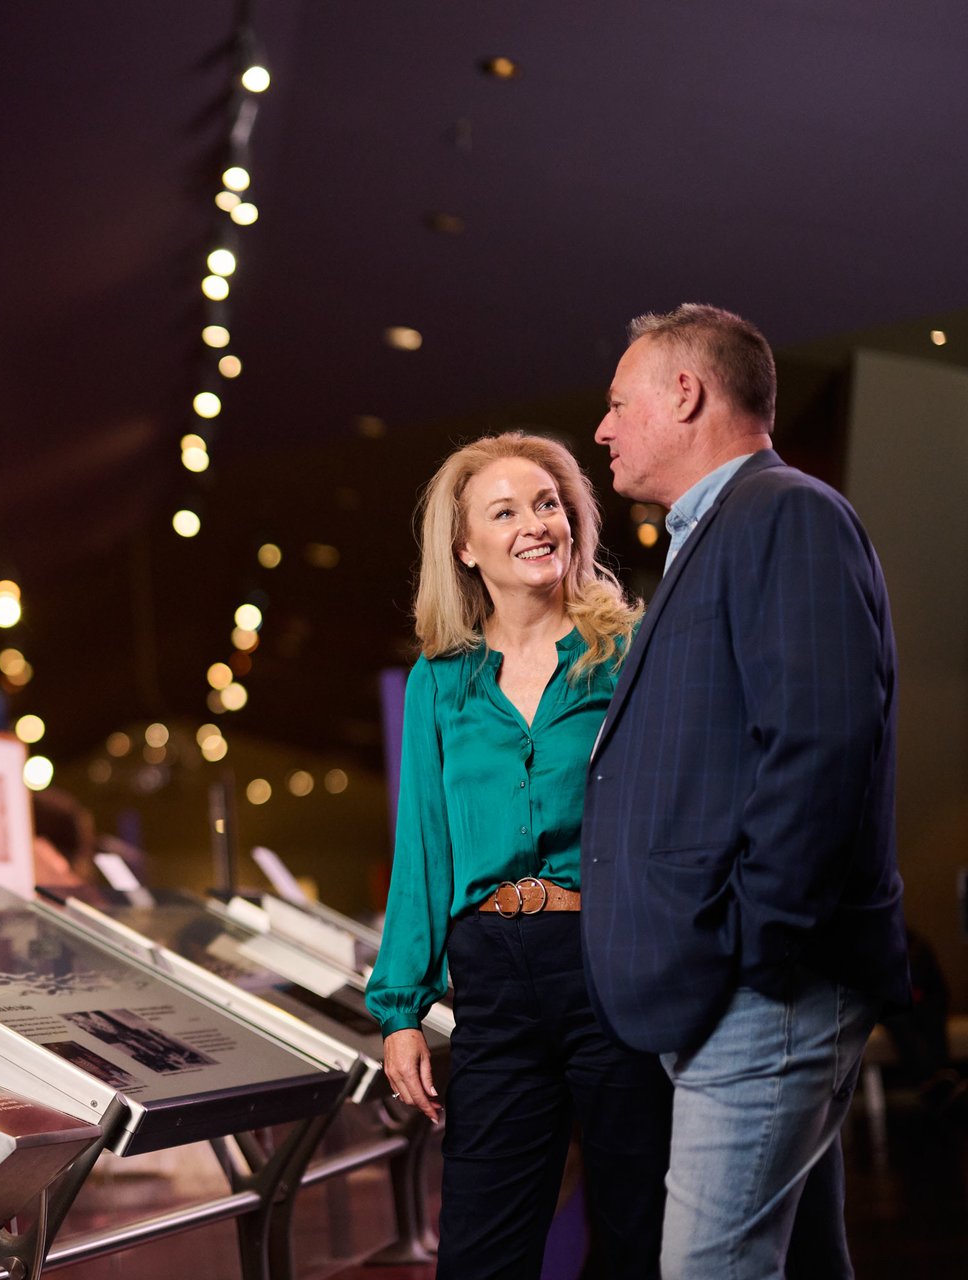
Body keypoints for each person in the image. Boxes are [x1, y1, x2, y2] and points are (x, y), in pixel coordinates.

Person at [583, 304, 909, 1278]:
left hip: (766, 986)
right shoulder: (717, 530)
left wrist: (757, 943)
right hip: (737, 986)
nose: (602, 429)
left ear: (685, 393)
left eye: (618, 404)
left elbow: (821, 741)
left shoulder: (785, 512)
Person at [369, 431, 671, 1278]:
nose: (535, 524)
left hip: (609, 961)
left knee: (637, 1234)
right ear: (465, 548)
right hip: (494, 976)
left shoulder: (629, 653)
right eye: (504, 513)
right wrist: (400, 1011)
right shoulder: (441, 679)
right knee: (479, 1248)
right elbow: (423, 847)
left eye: (548, 505)